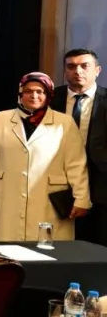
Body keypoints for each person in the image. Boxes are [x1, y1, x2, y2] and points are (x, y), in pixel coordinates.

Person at [0, 72, 90, 242]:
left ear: (49, 95)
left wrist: (82, 199)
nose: (34, 96)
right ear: (20, 94)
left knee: (46, 247)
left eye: (40, 91)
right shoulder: (1, 119)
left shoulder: (65, 123)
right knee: (5, 243)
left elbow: (76, 164)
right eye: (28, 91)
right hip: (7, 193)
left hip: (48, 196)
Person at [53, 49, 107, 244]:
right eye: (71, 66)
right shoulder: (49, 98)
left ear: (97, 70)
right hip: (57, 179)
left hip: (101, 180)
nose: (78, 71)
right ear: (64, 71)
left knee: (98, 243)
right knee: (58, 243)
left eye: (85, 66)